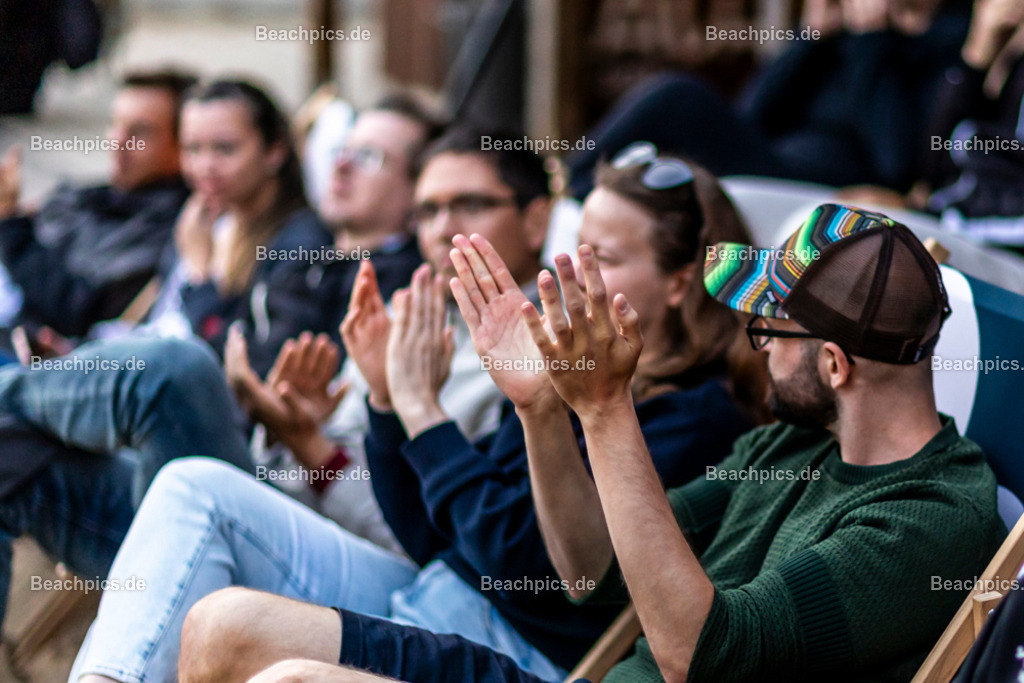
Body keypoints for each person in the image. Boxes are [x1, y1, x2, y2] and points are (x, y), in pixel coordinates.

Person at [185, 203, 1004, 683]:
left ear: (833, 362)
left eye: (770, 326)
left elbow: (702, 651)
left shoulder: (927, 520)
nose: (755, 342)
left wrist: (607, 409)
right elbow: (587, 572)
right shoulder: (791, 449)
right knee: (225, 627)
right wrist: (545, 410)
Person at [77, 144, 767, 683]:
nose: (567, 271)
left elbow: (538, 575)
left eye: (603, 256)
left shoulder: (698, 418)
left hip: (505, 640)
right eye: (573, 245)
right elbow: (427, 538)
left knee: (223, 627)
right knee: (193, 485)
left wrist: (429, 414)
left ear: (681, 282)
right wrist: (386, 400)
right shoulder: (580, 373)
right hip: (434, 591)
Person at [224, 127, 550, 550]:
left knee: (181, 421)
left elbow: (440, 544)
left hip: (426, 585)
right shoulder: (402, 316)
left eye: (471, 205)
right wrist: (295, 426)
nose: (442, 229)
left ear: (537, 221)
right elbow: (296, 490)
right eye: (427, 212)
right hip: (325, 540)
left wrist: (315, 451)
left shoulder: (556, 343)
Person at [567, 0, 973, 198]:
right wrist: (812, 36)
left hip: (825, 184)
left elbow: (896, 162)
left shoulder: (946, 43)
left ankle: (566, 182)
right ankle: (578, 186)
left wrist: (873, 39)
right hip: (773, 160)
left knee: (679, 96)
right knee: (666, 137)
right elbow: (752, 113)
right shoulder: (841, 37)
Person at [142, 78, 335, 376]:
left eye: (225, 149)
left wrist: (200, 277)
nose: (205, 165)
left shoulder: (299, 242)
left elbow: (258, 365)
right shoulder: (203, 217)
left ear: (275, 151)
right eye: (192, 149)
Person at [0, 70, 195, 340]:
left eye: (140, 132)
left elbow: (74, 311)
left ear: (183, 146)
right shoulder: (86, 199)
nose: (118, 141)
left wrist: (11, 224)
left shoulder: (173, 228)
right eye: (115, 124)